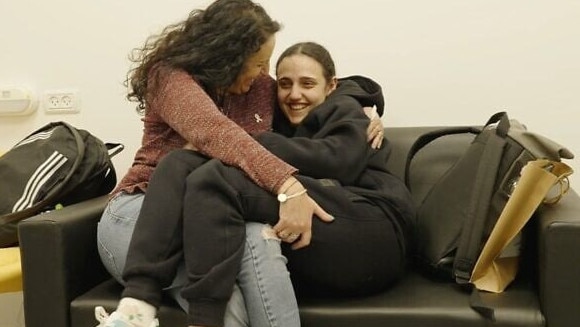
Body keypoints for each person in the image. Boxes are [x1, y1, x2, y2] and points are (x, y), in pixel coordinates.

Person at [95, 0, 385, 326]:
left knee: (260, 237)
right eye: (258, 64)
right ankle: (135, 313)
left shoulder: (258, 87)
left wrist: (360, 105)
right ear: (228, 57)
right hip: (143, 210)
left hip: (211, 210)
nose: (265, 73)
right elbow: (216, 133)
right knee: (230, 303)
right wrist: (288, 186)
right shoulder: (169, 77)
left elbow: (314, 86)